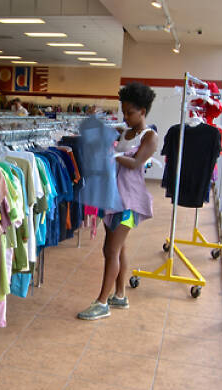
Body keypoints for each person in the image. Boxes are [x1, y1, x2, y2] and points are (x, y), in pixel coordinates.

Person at [78, 83, 158, 320]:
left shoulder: (150, 136)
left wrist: (111, 154)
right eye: (123, 111)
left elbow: (135, 164)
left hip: (129, 201)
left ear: (143, 111)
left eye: (130, 112)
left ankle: (102, 302)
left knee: (110, 249)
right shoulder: (125, 132)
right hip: (113, 197)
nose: (125, 116)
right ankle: (120, 295)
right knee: (119, 247)